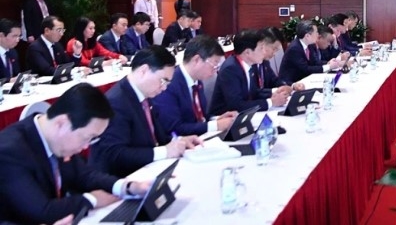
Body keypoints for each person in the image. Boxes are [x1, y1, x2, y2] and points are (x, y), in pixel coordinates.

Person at [0, 84, 151, 225]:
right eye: (87, 137)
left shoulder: (55, 138)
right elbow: (42, 211)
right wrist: (91, 199)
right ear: (61, 123)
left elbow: (84, 175)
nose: (86, 146)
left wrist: (128, 187)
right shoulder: (9, 151)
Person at [90, 46, 202, 177]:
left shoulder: (145, 94)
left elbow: (156, 136)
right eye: (163, 81)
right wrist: (164, 152)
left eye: (167, 83)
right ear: (144, 71)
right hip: (125, 179)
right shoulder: (116, 102)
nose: (164, 88)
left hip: (150, 169)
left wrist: (180, 141)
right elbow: (115, 154)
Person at [153, 35, 237, 136]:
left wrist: (217, 119)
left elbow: (200, 117)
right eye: (214, 64)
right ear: (197, 60)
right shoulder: (168, 84)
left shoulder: (197, 80)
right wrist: (215, 125)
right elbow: (174, 128)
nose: (216, 70)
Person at [209, 30, 289, 115]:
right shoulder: (231, 69)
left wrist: (274, 93)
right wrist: (271, 102)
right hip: (223, 119)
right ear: (247, 52)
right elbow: (236, 105)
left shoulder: (248, 66)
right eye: (261, 48)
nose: (264, 52)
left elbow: (253, 92)